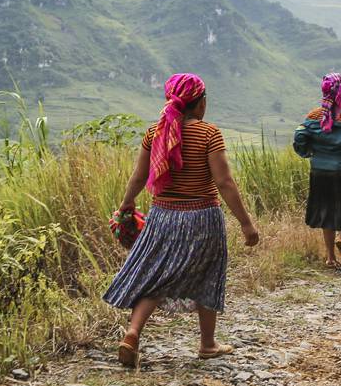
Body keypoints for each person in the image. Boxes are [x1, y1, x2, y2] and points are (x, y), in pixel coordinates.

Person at [104, 73, 260, 368]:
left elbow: (139, 177)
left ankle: (132, 333)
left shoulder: (155, 133)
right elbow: (224, 181)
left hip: (162, 216)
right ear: (200, 104)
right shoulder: (209, 134)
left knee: (155, 274)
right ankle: (208, 344)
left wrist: (126, 204)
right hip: (203, 216)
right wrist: (245, 222)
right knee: (208, 274)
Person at [294, 72, 341, 269]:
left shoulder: (314, 115)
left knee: (326, 212)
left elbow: (300, 135)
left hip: (319, 172)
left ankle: (330, 258)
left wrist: (308, 152)